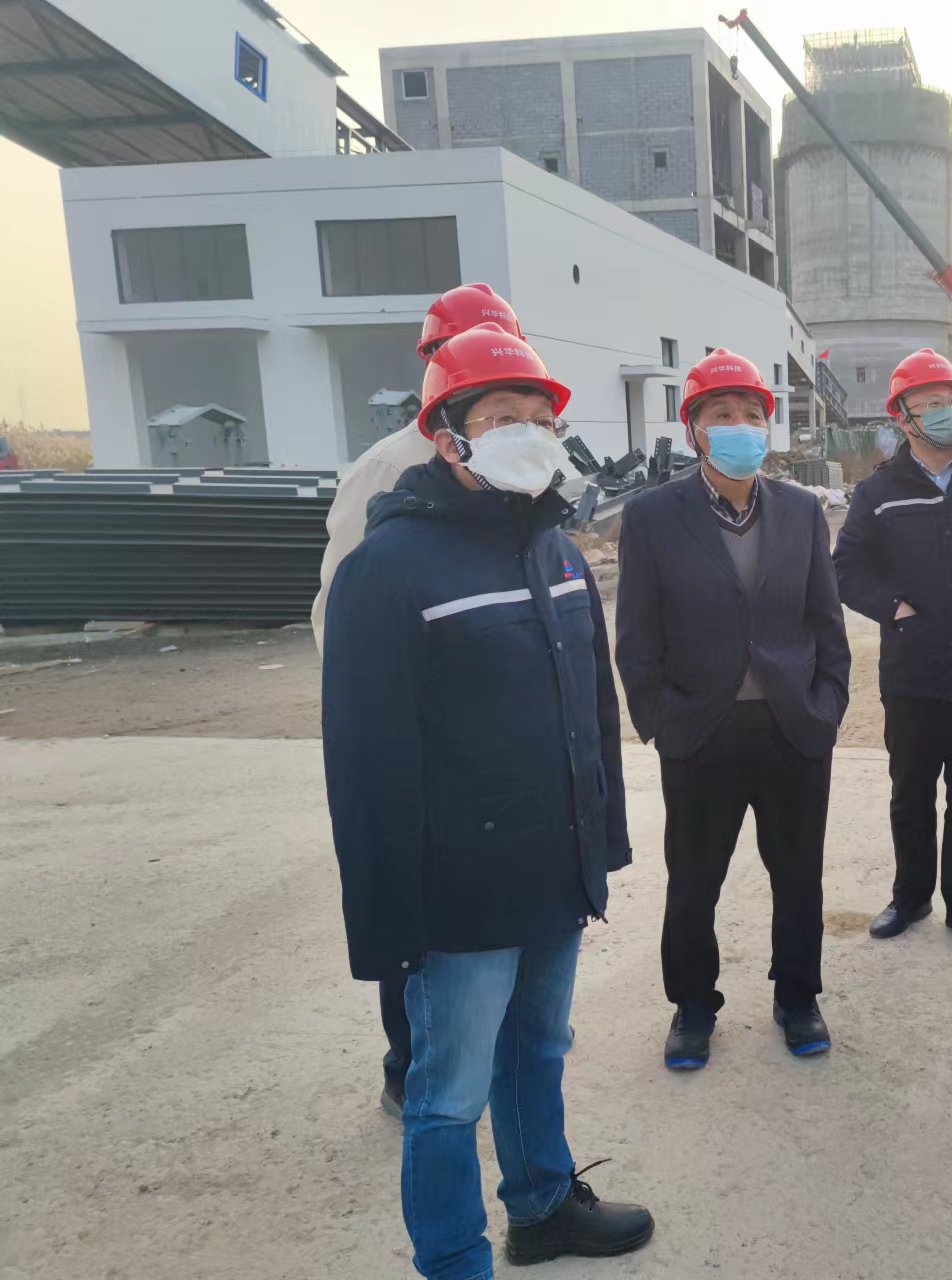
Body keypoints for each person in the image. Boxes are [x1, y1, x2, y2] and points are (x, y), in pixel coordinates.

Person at [322, 325, 652, 1278]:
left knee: (539, 1047)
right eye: (503, 416)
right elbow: (365, 761)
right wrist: (386, 919)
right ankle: (453, 1258)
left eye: (540, 418)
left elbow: (593, 713)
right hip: (458, 892)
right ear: (446, 437)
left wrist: (602, 842)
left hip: (554, 867)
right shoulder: (389, 569)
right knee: (448, 1092)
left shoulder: (555, 552)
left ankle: (542, 1206)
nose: (528, 434)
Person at [311, 283, 527, 1123]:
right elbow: (345, 606)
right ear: (435, 367)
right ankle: (410, 1061)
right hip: (419, 728)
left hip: (492, 731)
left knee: (493, 906)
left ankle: (497, 1039)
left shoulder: (511, 459)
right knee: (417, 905)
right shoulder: (389, 468)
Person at [615, 348, 850, 1071]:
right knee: (694, 882)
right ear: (695, 429)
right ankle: (692, 1006)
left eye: (752, 414)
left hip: (791, 727)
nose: (741, 425)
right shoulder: (652, 516)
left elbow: (826, 621)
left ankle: (797, 997)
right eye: (723, 413)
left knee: (798, 877)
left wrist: (826, 706)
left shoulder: (801, 511)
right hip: (700, 730)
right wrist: (663, 722)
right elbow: (637, 636)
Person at [832, 348, 952, 952]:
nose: (946, 412)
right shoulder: (880, 490)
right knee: (910, 796)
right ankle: (910, 898)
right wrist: (893, 608)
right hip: (912, 674)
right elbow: (846, 568)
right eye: (930, 403)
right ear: (903, 417)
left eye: (951, 401)